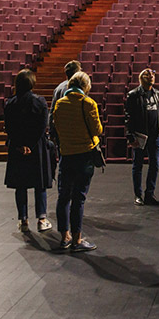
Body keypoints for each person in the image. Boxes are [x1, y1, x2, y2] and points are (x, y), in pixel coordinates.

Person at [52, 71, 104, 252]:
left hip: (66, 154)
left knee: (64, 196)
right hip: (84, 155)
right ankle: (77, 239)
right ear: (86, 86)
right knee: (79, 198)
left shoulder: (59, 104)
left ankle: (64, 236)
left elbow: (56, 127)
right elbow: (97, 130)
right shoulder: (88, 103)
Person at [4, 69, 54, 233]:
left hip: (17, 148)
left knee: (21, 185)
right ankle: (42, 218)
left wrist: (20, 145)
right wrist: (30, 145)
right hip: (36, 149)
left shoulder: (10, 103)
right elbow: (42, 127)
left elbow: (9, 128)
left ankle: (23, 220)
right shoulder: (39, 101)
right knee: (39, 185)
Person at [126, 68, 159, 206]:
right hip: (140, 136)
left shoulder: (157, 94)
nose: (151, 76)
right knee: (137, 166)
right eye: (147, 74)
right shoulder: (133, 95)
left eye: (153, 74)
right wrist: (130, 137)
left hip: (155, 136)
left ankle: (150, 194)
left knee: (154, 165)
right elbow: (128, 117)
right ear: (140, 78)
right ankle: (138, 195)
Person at [49, 60, 81, 142]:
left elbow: (52, 111)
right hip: (72, 130)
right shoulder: (78, 89)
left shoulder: (59, 87)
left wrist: (51, 130)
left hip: (60, 129)